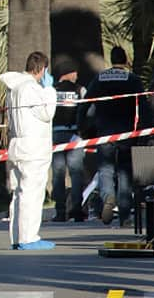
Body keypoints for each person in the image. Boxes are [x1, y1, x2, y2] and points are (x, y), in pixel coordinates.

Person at [78, 46, 150, 226]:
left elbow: (85, 103)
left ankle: (108, 196)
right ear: (125, 60)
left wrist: (82, 126)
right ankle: (125, 216)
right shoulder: (132, 79)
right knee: (125, 172)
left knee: (105, 170)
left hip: (104, 133)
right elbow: (143, 104)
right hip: (126, 132)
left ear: (111, 59)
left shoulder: (99, 79)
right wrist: (147, 130)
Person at [0, 51, 57, 250]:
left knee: (19, 194)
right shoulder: (31, 88)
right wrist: (49, 90)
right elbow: (47, 112)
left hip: (17, 145)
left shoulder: (14, 88)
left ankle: (17, 237)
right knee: (32, 193)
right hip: (33, 148)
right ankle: (29, 238)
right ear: (42, 69)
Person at [51, 61, 86, 222]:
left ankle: (60, 211)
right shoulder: (80, 90)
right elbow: (87, 110)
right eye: (75, 72)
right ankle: (77, 210)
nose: (77, 75)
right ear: (69, 73)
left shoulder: (51, 91)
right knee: (76, 173)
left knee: (58, 174)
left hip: (55, 135)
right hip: (74, 136)